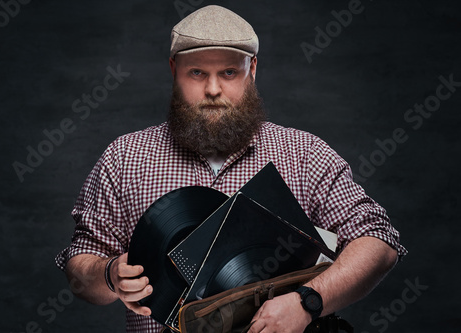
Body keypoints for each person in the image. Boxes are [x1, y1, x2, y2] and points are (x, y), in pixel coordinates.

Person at [56, 5, 407, 333]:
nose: (212, 89)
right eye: (197, 73)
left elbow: (379, 241)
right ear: (173, 69)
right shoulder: (125, 158)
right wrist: (108, 275)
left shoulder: (304, 154)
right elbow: (80, 267)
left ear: (252, 69)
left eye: (228, 72)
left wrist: (307, 302)